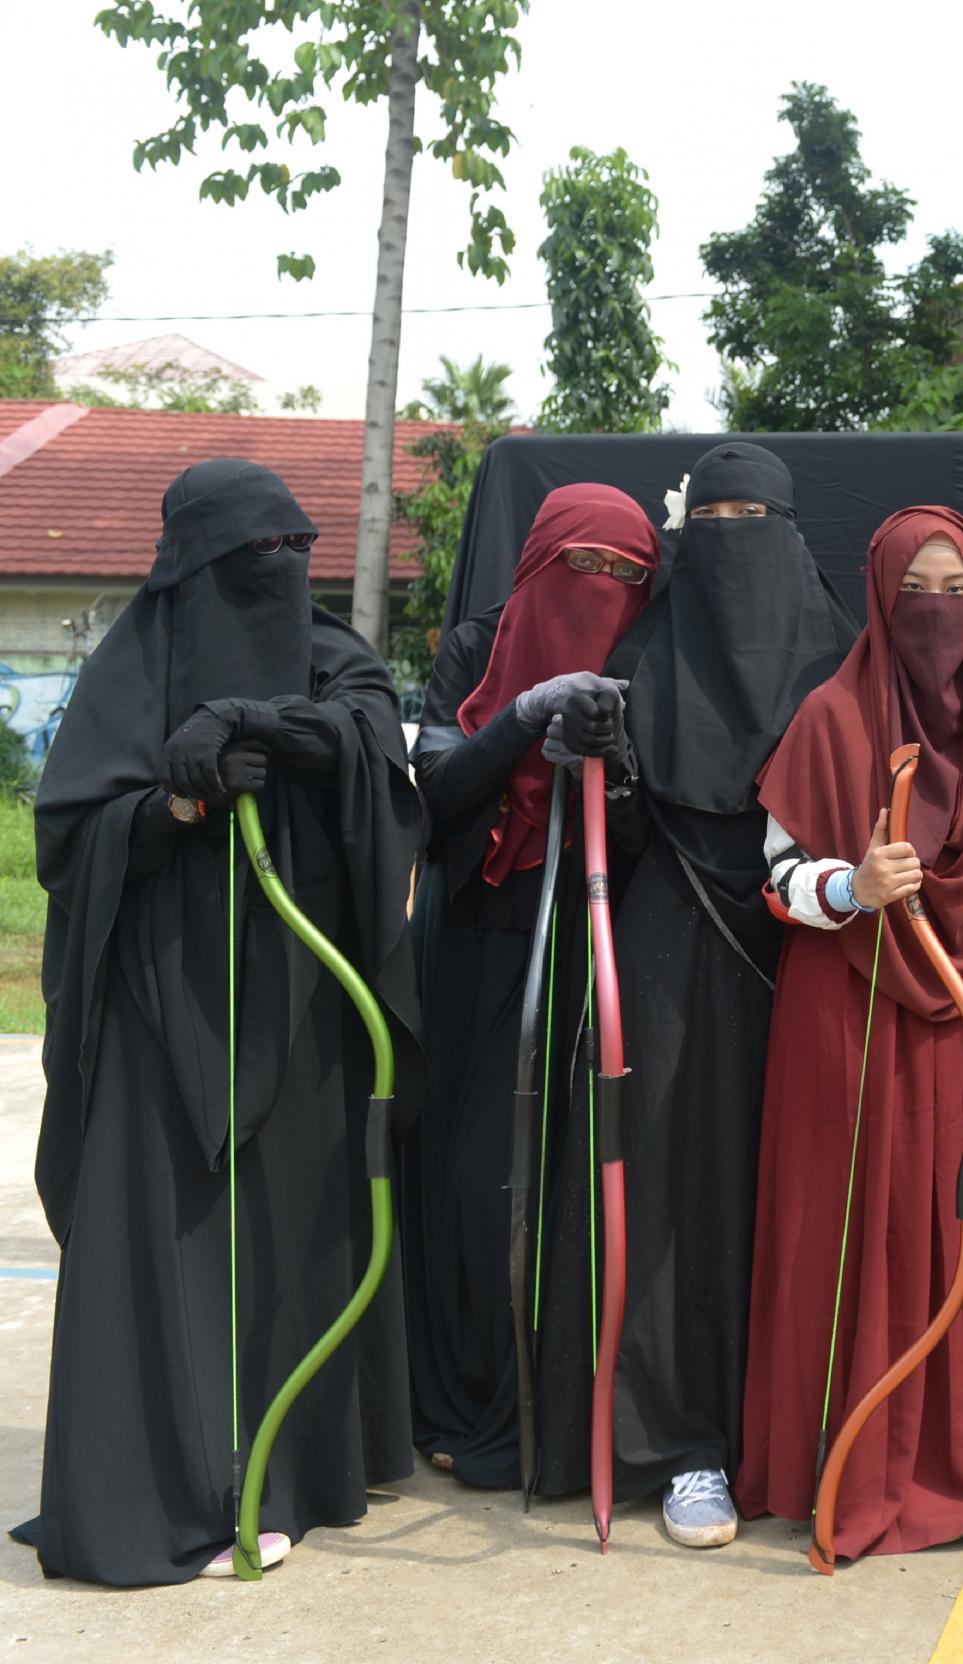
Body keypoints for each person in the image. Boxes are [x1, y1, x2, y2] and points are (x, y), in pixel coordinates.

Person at [16, 460, 423, 1583]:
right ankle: (162, 1487)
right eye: (254, 556)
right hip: (161, 1004)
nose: (279, 575)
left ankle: (284, 1472)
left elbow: (375, 746)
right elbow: (72, 835)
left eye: (294, 552)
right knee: (164, 1238)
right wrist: (178, 802)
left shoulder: (334, 655)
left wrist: (267, 725)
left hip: (302, 1000)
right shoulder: (127, 674)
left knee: (291, 1238)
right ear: (192, 563)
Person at [530, 442, 856, 1548]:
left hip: (813, 966)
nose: (729, 542)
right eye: (705, 520)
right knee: (674, 1202)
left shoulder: (844, 669)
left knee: (803, 1193)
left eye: (750, 518)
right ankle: (685, 1445)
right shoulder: (643, 667)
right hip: (673, 966)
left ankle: (798, 1434)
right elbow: (602, 848)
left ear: (791, 532)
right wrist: (612, 768)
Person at [739, 507, 963, 1558]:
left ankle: (950, 1459)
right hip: (848, 1014)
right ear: (877, 594)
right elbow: (775, 879)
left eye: (958, 591)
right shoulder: (831, 716)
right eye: (919, 589)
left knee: (960, 1240)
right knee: (851, 1232)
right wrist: (853, 884)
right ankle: (842, 1461)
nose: (938, 612)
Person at [400, 483, 657, 1489]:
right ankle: (466, 1393)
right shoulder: (474, 647)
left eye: (629, 575)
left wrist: (617, 762)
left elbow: (648, 839)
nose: (603, 592)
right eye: (581, 568)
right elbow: (437, 788)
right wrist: (517, 719)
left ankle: (558, 1403)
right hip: (472, 939)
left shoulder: (643, 657)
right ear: (538, 564)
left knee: (567, 1183)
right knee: (469, 1180)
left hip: (590, 946)